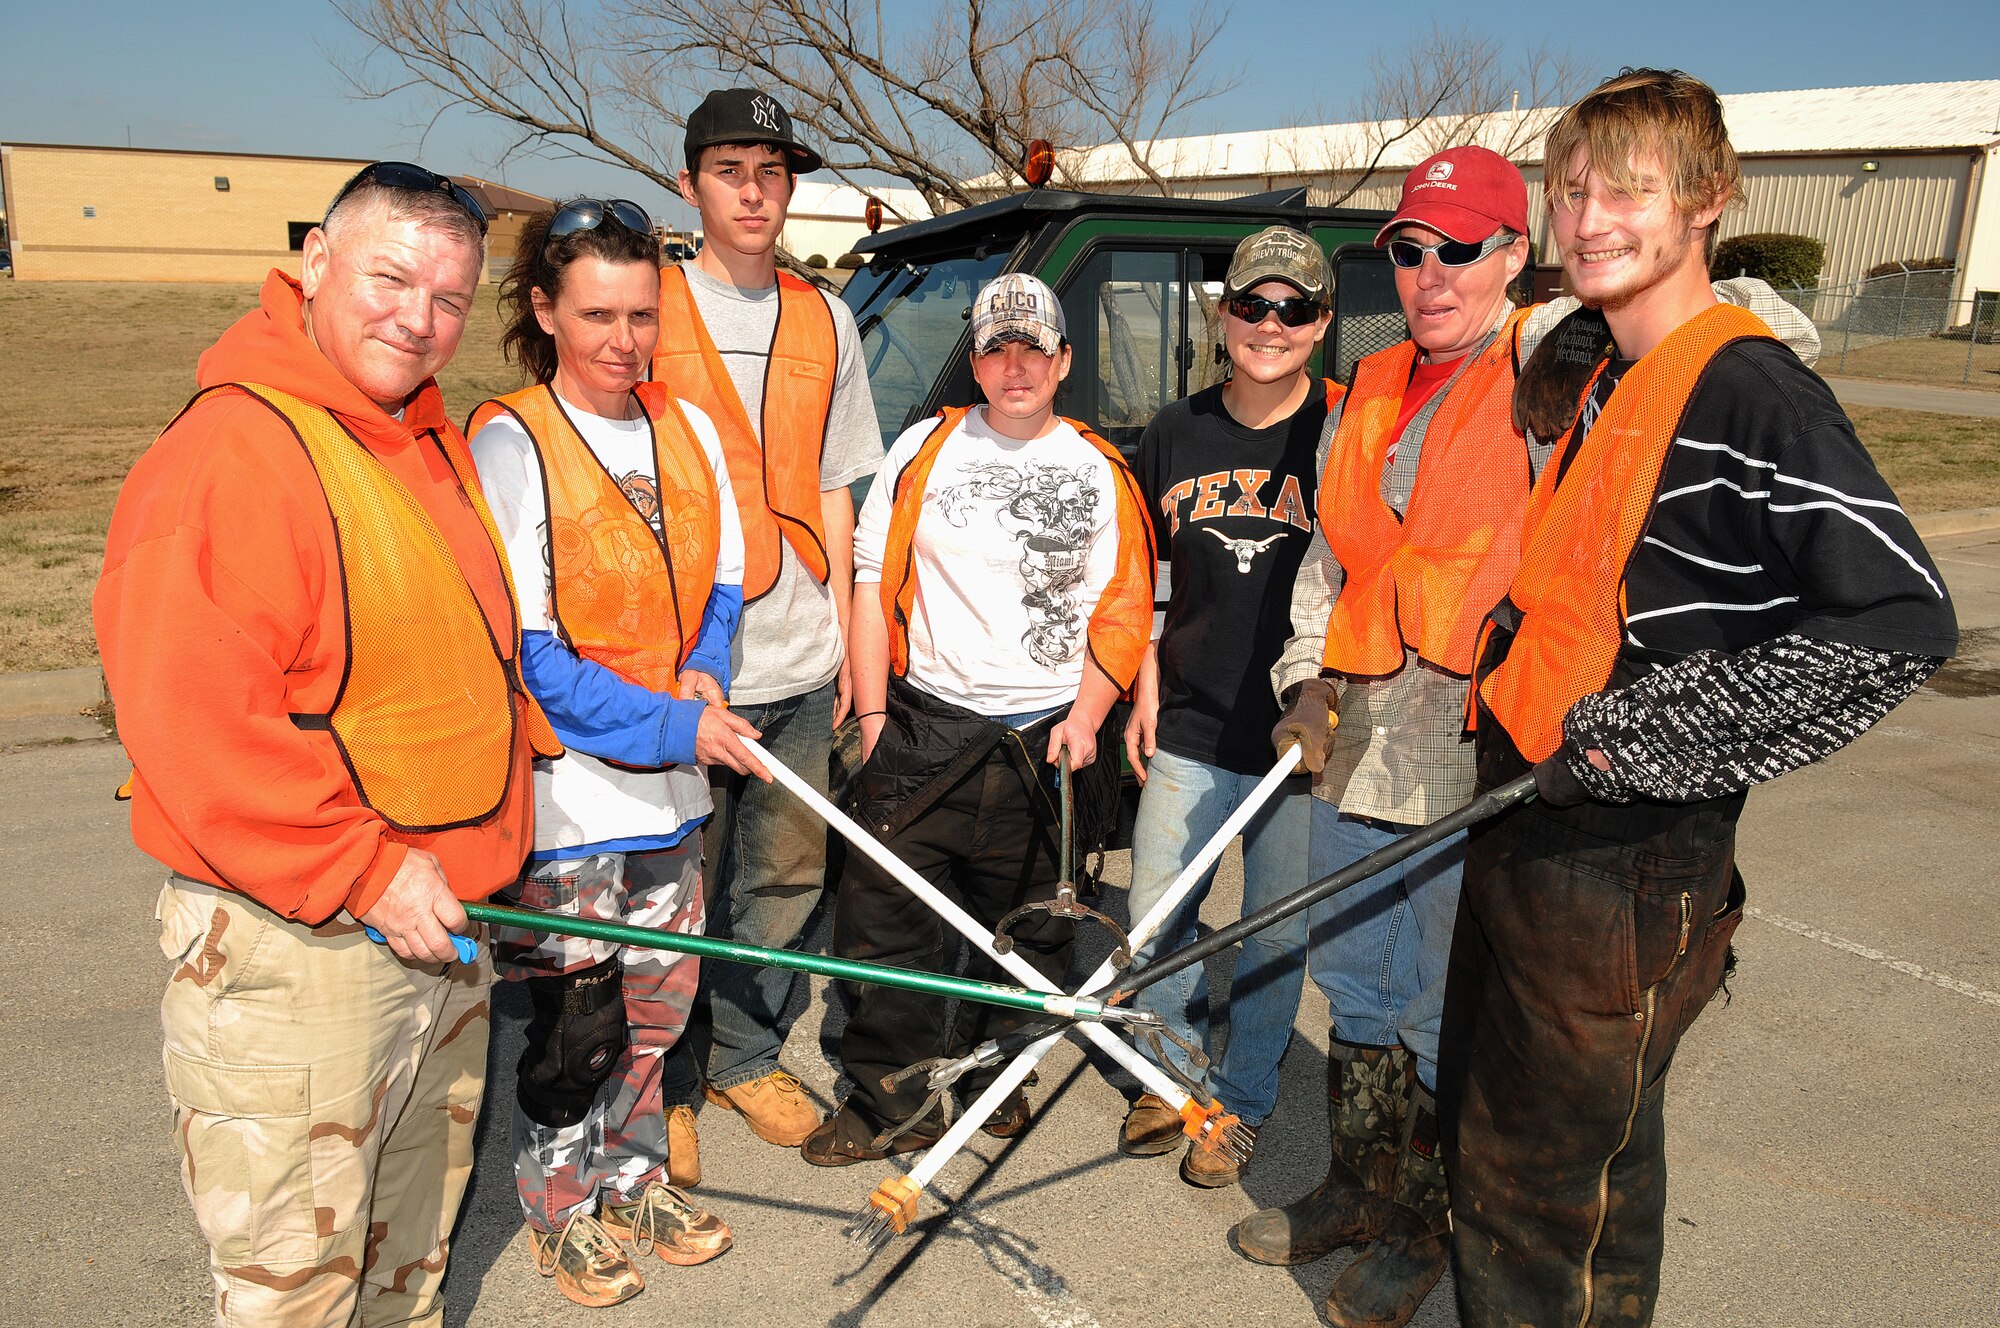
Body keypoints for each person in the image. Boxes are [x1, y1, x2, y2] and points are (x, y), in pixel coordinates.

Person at [1241, 145, 1823, 1328]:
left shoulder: (1547, 361)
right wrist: (1303, 680)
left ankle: (1428, 1228)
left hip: (1480, 741)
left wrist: (1584, 306)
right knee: (1352, 977)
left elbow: (1767, 334)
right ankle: (1364, 1187)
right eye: (1408, 250)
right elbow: (1331, 556)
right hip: (1358, 733)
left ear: (1514, 253)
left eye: (1461, 248)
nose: (1429, 273)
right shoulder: (1368, 380)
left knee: (1439, 1004)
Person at [1438, 69, 1957, 1328]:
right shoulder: (1609, 364)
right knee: (1538, 1156)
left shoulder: (1750, 392)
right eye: (1569, 189)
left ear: (1709, 200)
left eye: (1626, 187)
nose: (1586, 215)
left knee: (1536, 1192)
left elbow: (1899, 621)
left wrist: (1661, 731)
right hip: (1529, 809)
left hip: (1625, 844)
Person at [96, 162, 554, 1327]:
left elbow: (448, 643)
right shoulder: (234, 453)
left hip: (438, 931)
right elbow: (194, 720)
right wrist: (363, 865)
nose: (420, 317)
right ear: (313, 263)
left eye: (450, 298)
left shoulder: (411, 433)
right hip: (305, 945)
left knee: (405, 1267)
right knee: (294, 1291)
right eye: (391, 277)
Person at [467, 199, 765, 1308]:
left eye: (641, 314)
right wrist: (674, 724)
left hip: (673, 797)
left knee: (656, 1008)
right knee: (573, 1028)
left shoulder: (682, 425)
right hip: (570, 805)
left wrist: (707, 668)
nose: (622, 339)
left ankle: (633, 1176)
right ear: (544, 309)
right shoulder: (510, 440)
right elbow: (533, 653)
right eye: (596, 313)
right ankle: (559, 1207)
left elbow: (725, 576)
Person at [802, 273, 1155, 1164]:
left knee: (1028, 926)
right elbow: (874, 578)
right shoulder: (925, 447)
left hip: (1049, 740)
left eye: (1034, 347)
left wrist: (1088, 716)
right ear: (977, 361)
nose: (1015, 365)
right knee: (886, 919)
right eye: (996, 348)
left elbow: (1123, 605)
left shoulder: (1100, 470)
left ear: (1065, 361)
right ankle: (887, 1098)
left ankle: (994, 1073)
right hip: (926, 727)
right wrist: (876, 715)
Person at [650, 86, 883, 1155]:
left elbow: (837, 481)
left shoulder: (825, 314)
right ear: (691, 181)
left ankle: (745, 1056)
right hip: (673, 670)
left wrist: (839, 626)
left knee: (784, 878)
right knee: (674, 885)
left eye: (772, 172)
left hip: (795, 655)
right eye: (731, 171)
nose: (754, 192)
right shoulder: (643, 307)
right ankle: (671, 1081)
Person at [1117, 226, 1341, 1188]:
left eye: (1294, 308)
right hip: (1193, 719)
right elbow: (1151, 582)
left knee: (1276, 926)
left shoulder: (1342, 429)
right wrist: (1144, 689)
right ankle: (1172, 1079)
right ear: (1222, 316)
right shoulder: (1173, 432)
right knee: (1153, 913)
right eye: (1252, 304)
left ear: (1323, 323)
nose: (1270, 324)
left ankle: (1240, 1101)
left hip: (1298, 728)